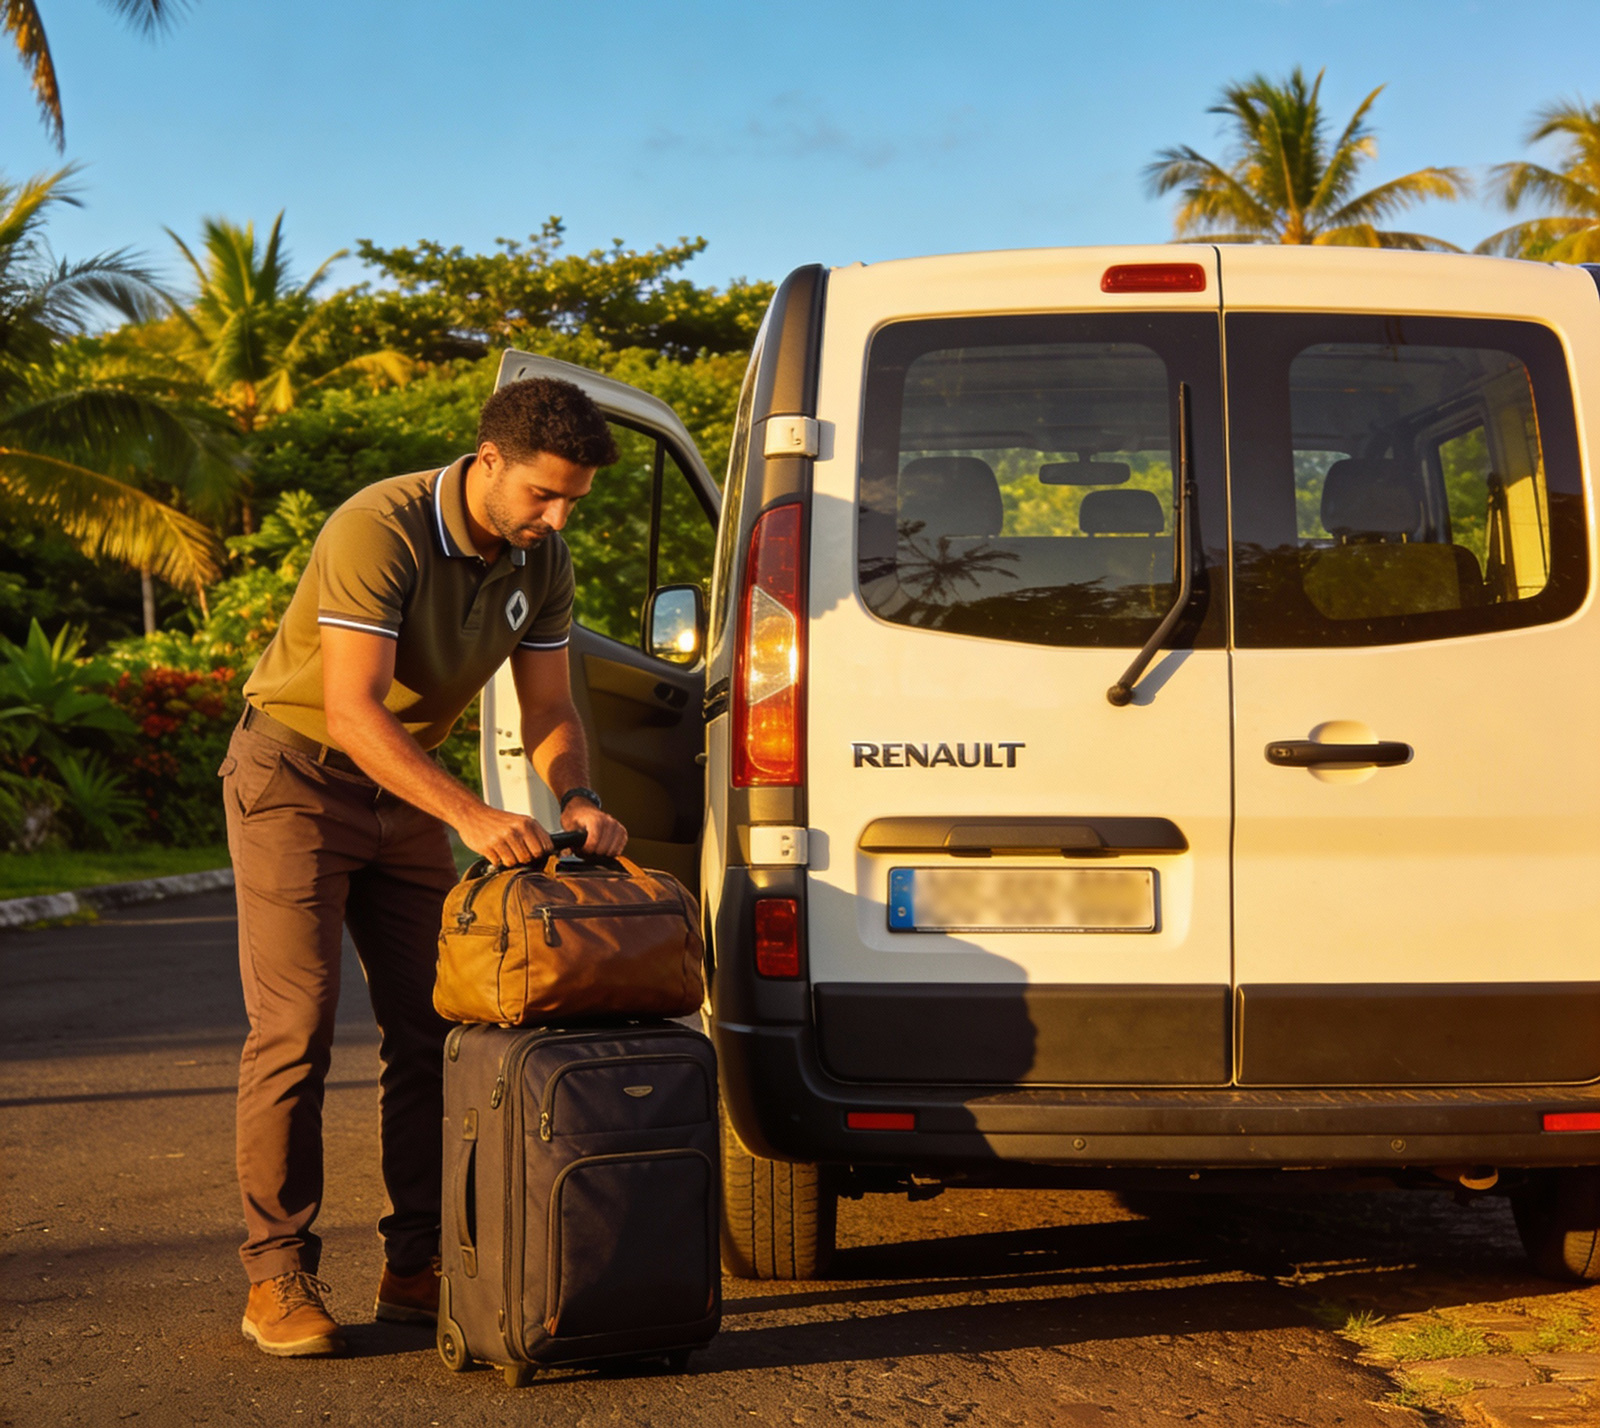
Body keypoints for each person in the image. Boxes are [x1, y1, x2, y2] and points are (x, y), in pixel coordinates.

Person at [219, 376, 627, 1357]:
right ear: (490, 463)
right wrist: (474, 815)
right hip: (296, 773)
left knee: (436, 1025)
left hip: (401, 789)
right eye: (544, 493)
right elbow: (355, 708)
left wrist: (573, 796)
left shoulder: (544, 556)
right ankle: (277, 1276)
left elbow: (550, 712)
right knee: (296, 1023)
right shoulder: (382, 525)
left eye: (574, 499)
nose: (559, 515)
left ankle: (417, 1263)